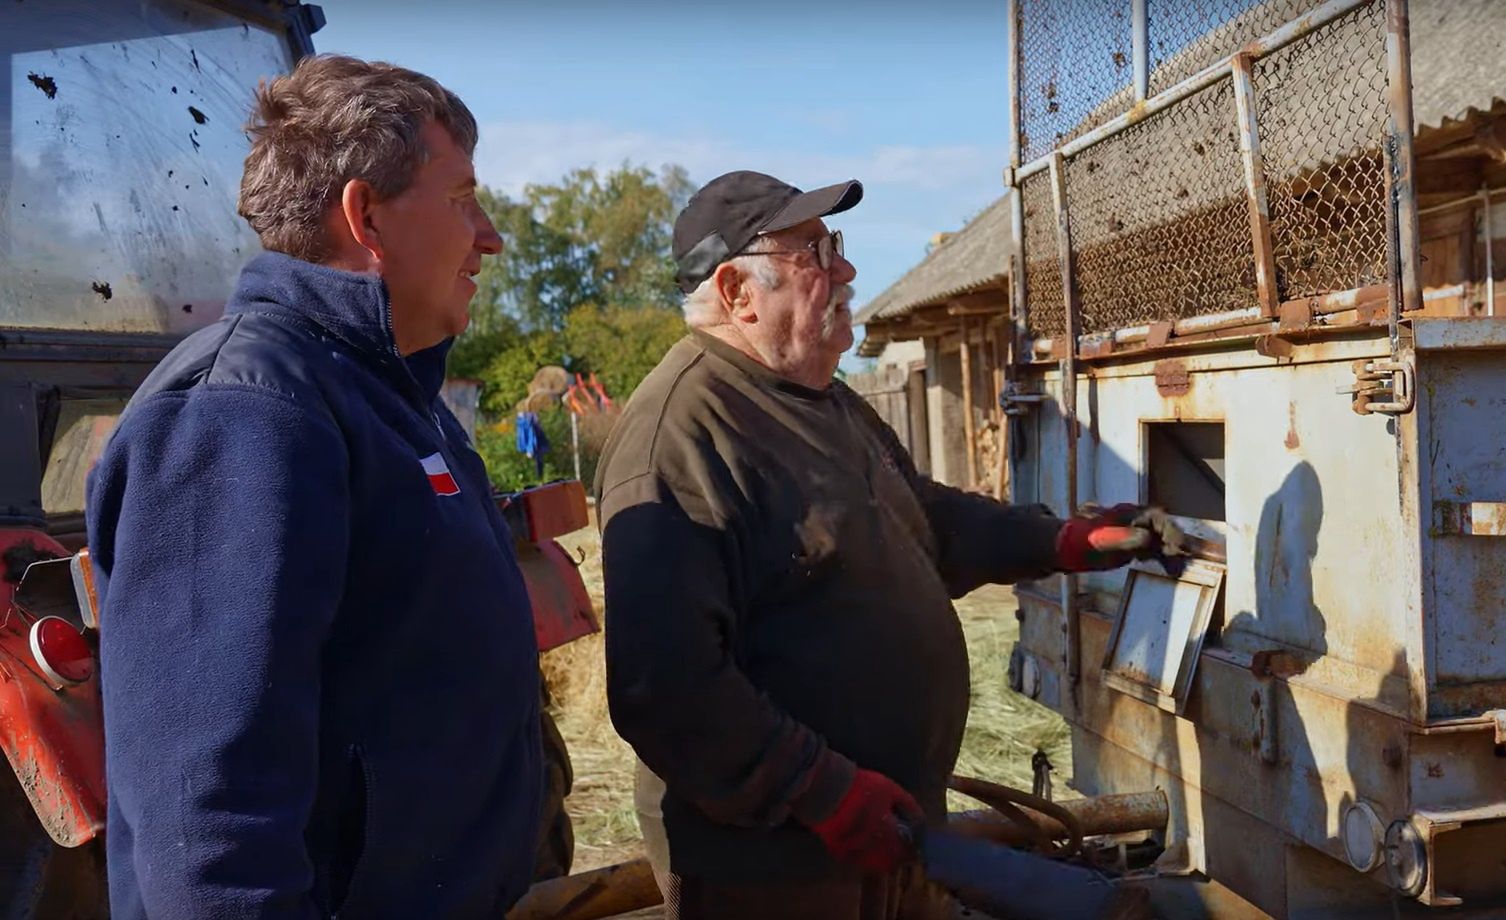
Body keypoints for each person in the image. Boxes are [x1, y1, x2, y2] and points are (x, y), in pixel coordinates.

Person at [595, 170, 1166, 919]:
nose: (846, 269)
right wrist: (823, 790)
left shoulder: (826, 401)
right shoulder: (681, 435)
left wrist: (1058, 539)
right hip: (780, 872)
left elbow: (921, 521)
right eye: (814, 252)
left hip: (887, 839)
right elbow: (665, 688)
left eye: (835, 244)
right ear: (738, 292)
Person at [85, 55, 543, 918]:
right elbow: (210, 826)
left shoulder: (392, 398)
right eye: (461, 199)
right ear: (365, 214)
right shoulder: (242, 416)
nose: (489, 235)